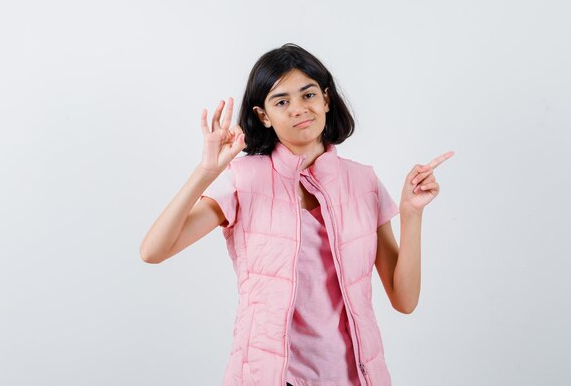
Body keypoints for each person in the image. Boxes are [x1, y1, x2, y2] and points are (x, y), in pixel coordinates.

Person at [140, 43, 454, 386]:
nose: (299, 109)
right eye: (282, 101)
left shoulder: (363, 182)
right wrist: (206, 171)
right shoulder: (244, 180)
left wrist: (411, 214)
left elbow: (404, 300)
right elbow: (153, 251)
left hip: (358, 377)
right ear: (264, 115)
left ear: (326, 99)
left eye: (308, 95)